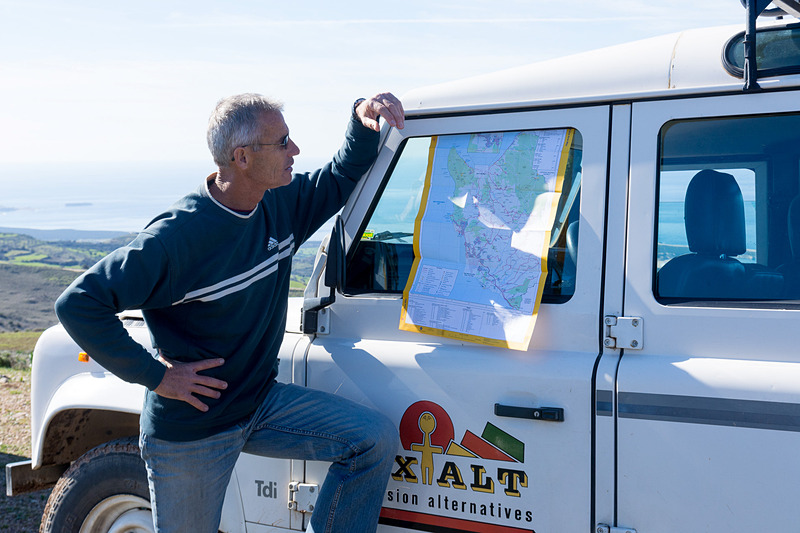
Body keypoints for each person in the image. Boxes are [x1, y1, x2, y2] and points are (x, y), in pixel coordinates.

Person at [54, 92, 405, 533]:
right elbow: (78, 304)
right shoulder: (176, 239)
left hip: (259, 403)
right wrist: (158, 377)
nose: (295, 150)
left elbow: (340, 175)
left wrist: (361, 118)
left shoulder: (279, 203)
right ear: (242, 157)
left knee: (372, 441)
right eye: (283, 142)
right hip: (192, 431)